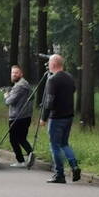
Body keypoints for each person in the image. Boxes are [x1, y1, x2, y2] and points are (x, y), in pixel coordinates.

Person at [40, 53, 80, 184]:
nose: (48, 65)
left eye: (49, 63)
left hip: (56, 117)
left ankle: (59, 174)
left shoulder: (52, 80)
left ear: (53, 64)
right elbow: (73, 90)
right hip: (68, 116)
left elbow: (49, 100)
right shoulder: (70, 77)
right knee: (64, 143)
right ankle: (74, 166)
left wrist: (44, 118)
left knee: (55, 146)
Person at [2, 65, 34, 167]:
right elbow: (32, 97)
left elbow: (9, 101)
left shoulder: (19, 86)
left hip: (17, 117)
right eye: (12, 73)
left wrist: (6, 95)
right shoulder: (26, 84)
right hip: (26, 116)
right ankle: (30, 153)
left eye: (16, 73)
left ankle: (21, 161)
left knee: (13, 140)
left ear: (21, 74)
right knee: (21, 138)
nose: (14, 75)